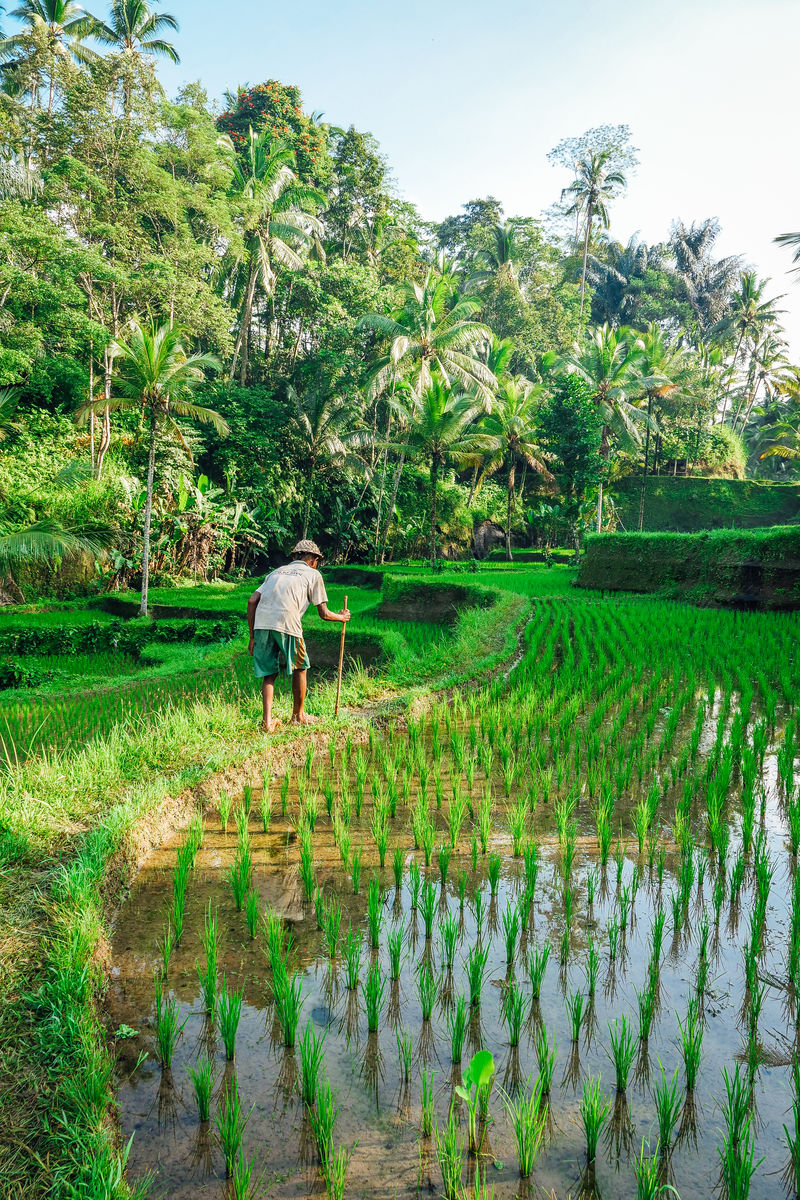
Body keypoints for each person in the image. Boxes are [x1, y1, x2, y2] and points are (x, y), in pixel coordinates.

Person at [247, 539, 350, 731]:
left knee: (269, 674)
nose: (316, 564)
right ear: (312, 559)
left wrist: (252, 637)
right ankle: (298, 716)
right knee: (300, 666)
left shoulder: (275, 572)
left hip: (261, 624)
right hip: (287, 624)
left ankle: (267, 722)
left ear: (295, 556)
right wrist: (342, 617)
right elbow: (324, 614)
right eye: (316, 560)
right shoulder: (313, 574)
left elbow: (253, 601)